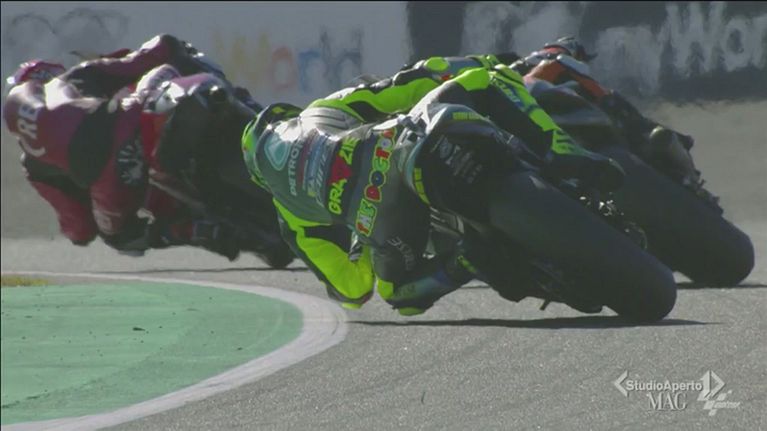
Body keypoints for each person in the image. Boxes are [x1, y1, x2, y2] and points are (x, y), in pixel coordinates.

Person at [241, 57, 625, 315]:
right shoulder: (321, 109)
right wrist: (468, 67)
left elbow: (353, 292)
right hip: (400, 143)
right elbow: (408, 86)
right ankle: (559, 149)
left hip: (383, 221)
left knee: (397, 294)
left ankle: (465, 260)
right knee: (486, 78)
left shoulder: (289, 214)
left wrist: (361, 236)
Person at [2, 34, 255, 259]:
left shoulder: (35, 164)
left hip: (113, 178)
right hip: (127, 122)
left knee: (120, 237)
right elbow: (149, 56)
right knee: (179, 68)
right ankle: (254, 116)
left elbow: (80, 230)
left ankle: (192, 230)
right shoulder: (77, 76)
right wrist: (173, 48)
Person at [509, 36, 700, 185]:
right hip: (549, 108)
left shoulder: (519, 66)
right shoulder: (555, 58)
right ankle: (659, 139)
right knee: (626, 115)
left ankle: (671, 152)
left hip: (537, 115)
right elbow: (584, 81)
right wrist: (607, 100)